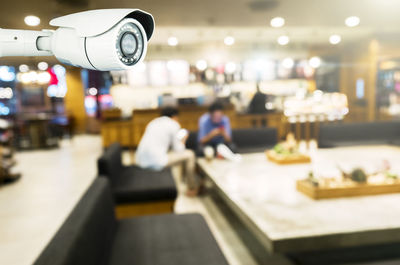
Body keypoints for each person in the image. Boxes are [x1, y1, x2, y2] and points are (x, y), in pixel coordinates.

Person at [135, 107, 198, 196]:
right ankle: (192, 187)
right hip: (155, 161)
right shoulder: (173, 124)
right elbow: (179, 149)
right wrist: (183, 139)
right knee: (190, 155)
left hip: (140, 160)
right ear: (174, 117)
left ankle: (177, 185)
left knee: (177, 160)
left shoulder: (153, 122)